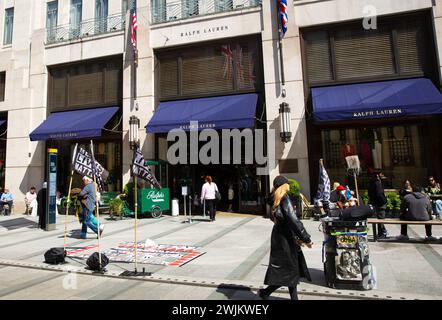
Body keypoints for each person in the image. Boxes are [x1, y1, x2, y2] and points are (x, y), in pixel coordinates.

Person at [258, 176, 313, 301]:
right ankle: (266, 293)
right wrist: (306, 237)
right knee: (289, 269)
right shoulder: (284, 198)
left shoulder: (274, 199)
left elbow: (280, 219)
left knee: (287, 270)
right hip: (286, 237)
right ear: (284, 185)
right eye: (287, 183)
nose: (289, 185)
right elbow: (293, 220)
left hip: (279, 236)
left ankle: (266, 293)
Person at [368, 171, 388, 239]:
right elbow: (379, 194)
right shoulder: (377, 183)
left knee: (380, 218)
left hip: (375, 202)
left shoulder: (371, 183)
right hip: (380, 203)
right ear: (377, 175)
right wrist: (384, 200)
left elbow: (370, 194)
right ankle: (381, 233)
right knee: (381, 218)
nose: (382, 175)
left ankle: (383, 231)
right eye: (381, 173)